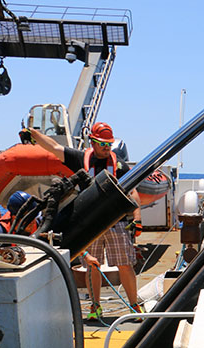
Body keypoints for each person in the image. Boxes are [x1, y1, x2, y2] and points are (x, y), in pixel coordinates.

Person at [26, 122, 144, 319]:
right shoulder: (80, 158)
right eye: (102, 144)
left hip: (116, 221)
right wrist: (33, 133)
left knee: (125, 264)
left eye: (109, 145)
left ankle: (134, 306)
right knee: (92, 264)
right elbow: (53, 147)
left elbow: (133, 190)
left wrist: (138, 218)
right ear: (93, 142)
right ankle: (95, 307)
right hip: (89, 221)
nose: (106, 149)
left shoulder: (120, 164)